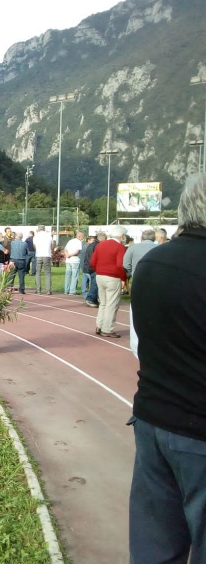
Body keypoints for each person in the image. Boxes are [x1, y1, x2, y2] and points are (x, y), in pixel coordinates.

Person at [128, 172, 206, 563]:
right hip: (198, 431)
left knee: (154, 545)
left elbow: (138, 342)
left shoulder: (151, 262)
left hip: (153, 419)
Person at [89, 225, 127, 338]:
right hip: (113, 277)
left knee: (103, 303)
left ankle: (99, 325)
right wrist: (123, 278)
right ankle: (107, 329)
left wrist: (99, 270)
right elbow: (120, 265)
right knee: (112, 304)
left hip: (100, 276)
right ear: (121, 236)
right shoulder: (120, 247)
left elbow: (92, 262)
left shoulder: (101, 244)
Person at [34, 225, 53, 294]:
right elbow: (51, 245)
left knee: (38, 273)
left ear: (38, 229)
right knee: (47, 273)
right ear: (44, 229)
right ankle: (48, 290)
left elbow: (34, 246)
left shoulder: (36, 236)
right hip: (47, 255)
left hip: (39, 255)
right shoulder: (49, 235)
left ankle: (38, 290)